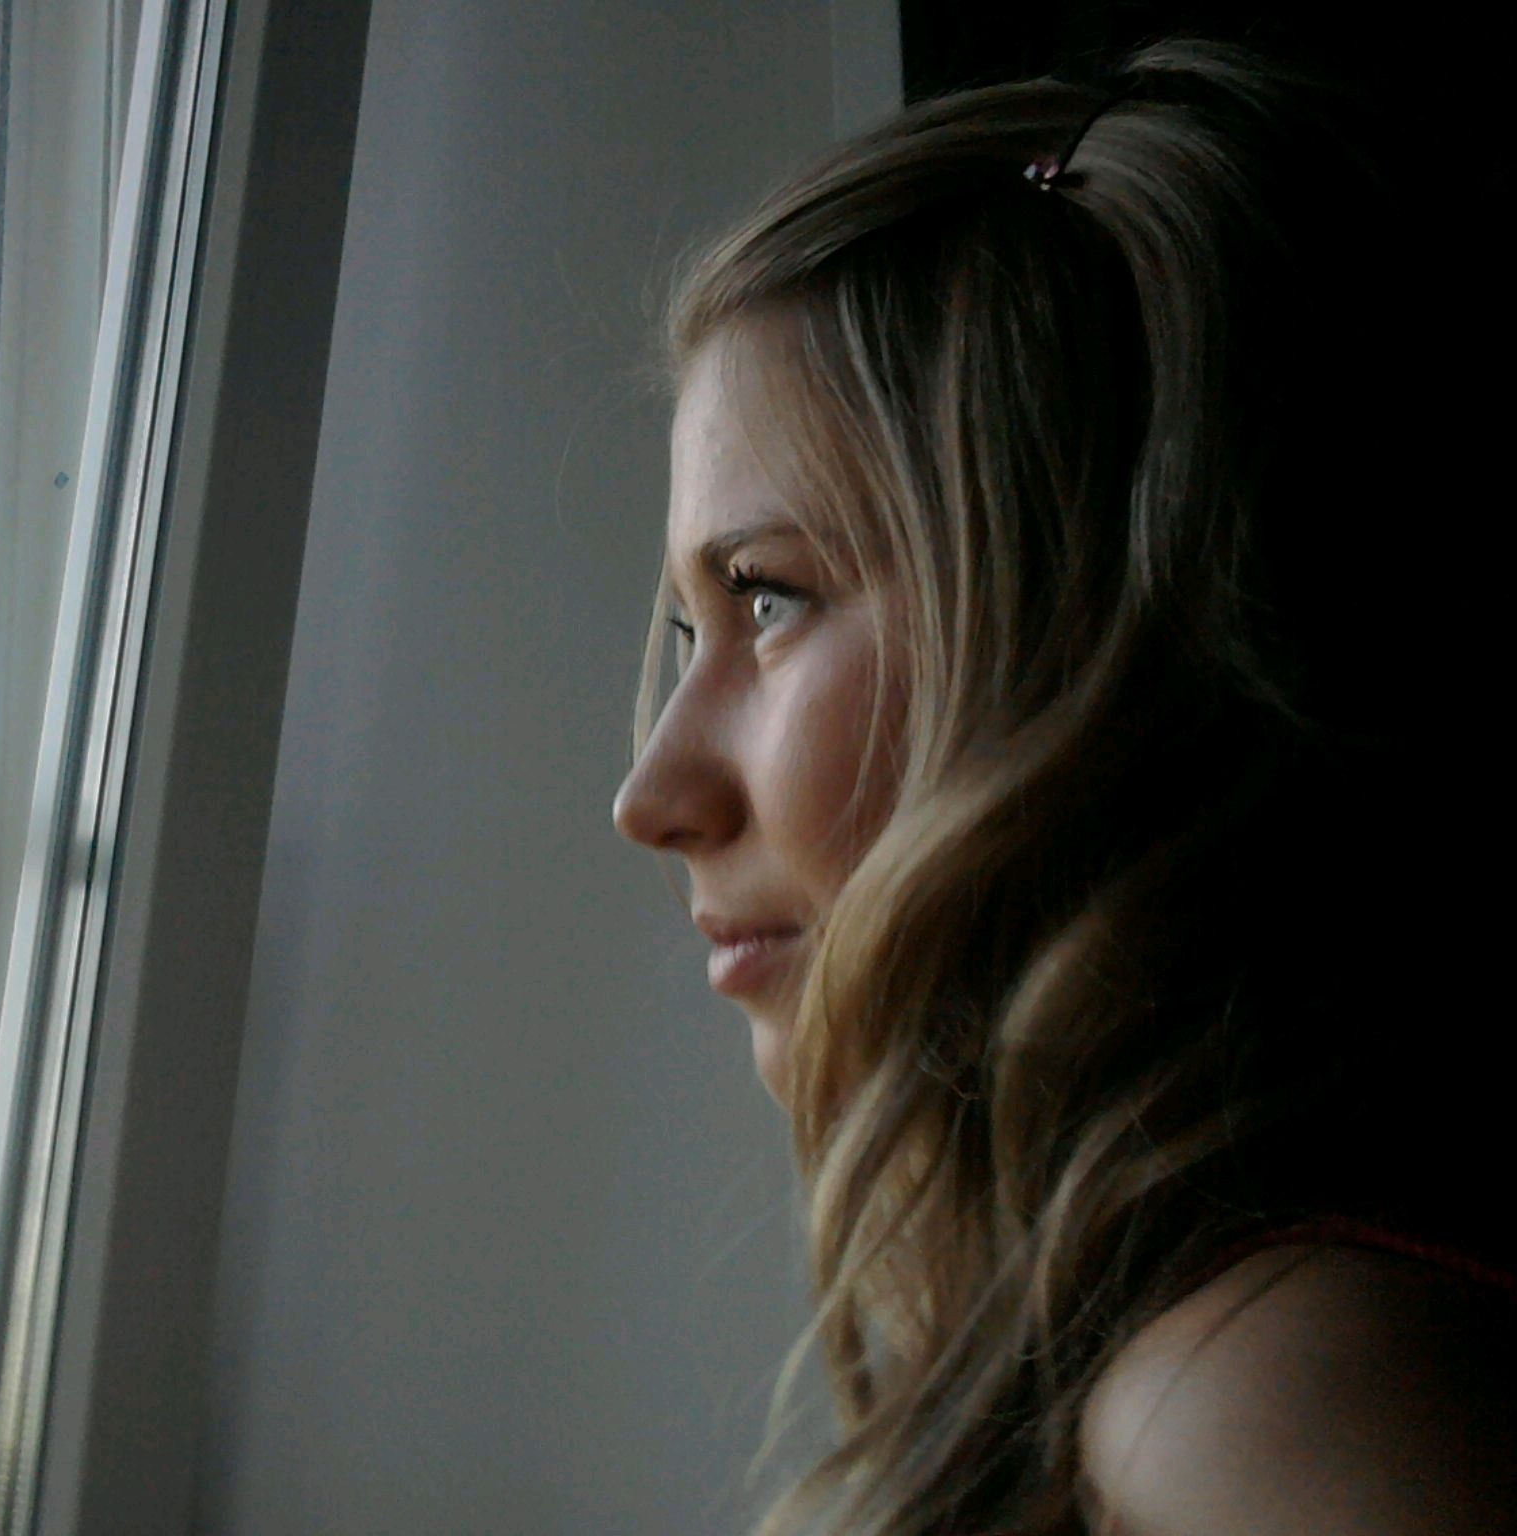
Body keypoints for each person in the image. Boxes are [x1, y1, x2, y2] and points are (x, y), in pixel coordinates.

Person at [611, 37, 1514, 1536]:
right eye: (686, 633)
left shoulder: (1264, 1401)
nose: (653, 795)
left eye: (769, 599)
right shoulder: (1192, 1352)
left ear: (1096, 640)